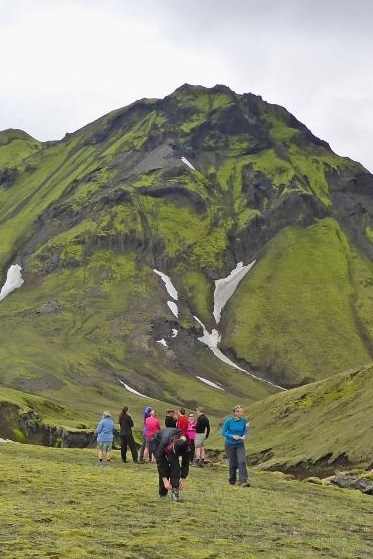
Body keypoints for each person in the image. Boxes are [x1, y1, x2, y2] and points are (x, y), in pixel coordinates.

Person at [149, 427, 189, 502]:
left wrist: (183, 478)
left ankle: (175, 490)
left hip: (170, 445)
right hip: (155, 443)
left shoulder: (186, 445)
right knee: (164, 466)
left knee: (175, 464)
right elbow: (159, 459)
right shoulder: (166, 439)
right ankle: (162, 493)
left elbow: (186, 462)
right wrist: (165, 480)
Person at [221, 404, 250, 487]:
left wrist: (244, 435)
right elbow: (223, 432)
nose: (242, 413)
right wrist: (232, 436)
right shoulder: (229, 421)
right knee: (233, 464)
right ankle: (232, 480)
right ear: (235, 412)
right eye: (241, 412)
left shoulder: (243, 420)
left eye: (242, 411)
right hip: (229, 445)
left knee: (242, 461)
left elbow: (244, 430)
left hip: (240, 444)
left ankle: (243, 481)